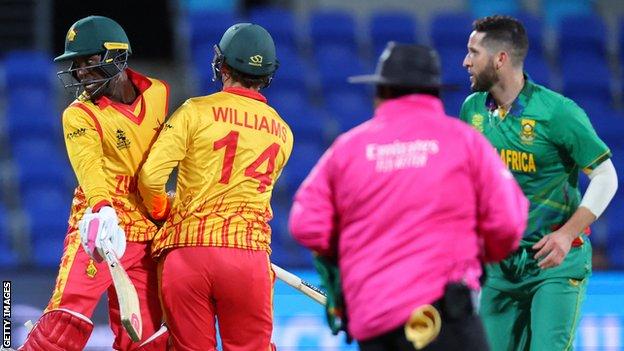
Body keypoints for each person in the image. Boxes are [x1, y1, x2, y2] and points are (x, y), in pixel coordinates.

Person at [289, 42, 529, 351]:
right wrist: (479, 255)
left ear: (382, 93)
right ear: (434, 93)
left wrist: (355, 251)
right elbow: (508, 222)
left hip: (375, 320)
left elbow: (306, 223)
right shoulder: (465, 142)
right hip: (445, 315)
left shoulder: (348, 149)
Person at [460, 15, 619, 351]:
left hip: (554, 264)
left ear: (500, 58)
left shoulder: (557, 112)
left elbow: (606, 177)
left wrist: (566, 234)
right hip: (500, 268)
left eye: (474, 52)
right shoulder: (472, 110)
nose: (466, 61)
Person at [137, 23, 291, 351]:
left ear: (222, 65)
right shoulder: (282, 131)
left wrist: (163, 208)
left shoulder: (195, 111)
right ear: (267, 73)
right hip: (247, 258)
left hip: (188, 252)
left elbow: (150, 177)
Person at [18, 15, 169, 351]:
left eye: (89, 61)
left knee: (145, 338)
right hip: (101, 229)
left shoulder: (159, 93)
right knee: (66, 320)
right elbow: (89, 168)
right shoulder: (79, 113)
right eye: (77, 64)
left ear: (117, 57)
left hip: (146, 232)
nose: (81, 73)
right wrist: (102, 207)